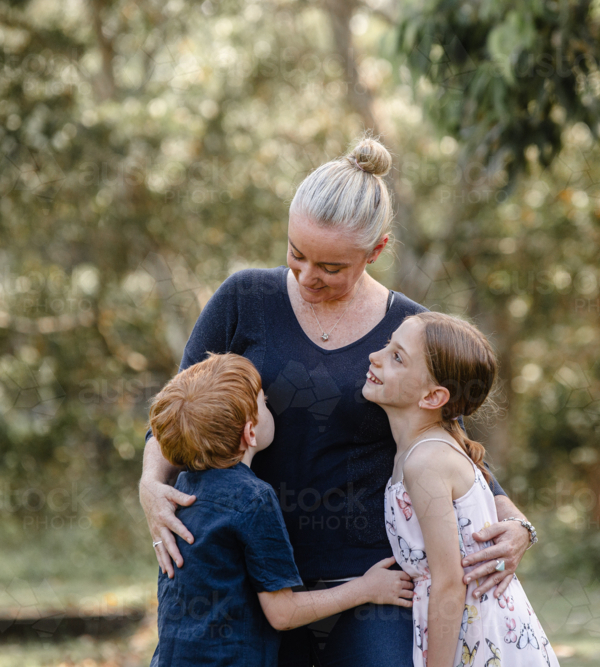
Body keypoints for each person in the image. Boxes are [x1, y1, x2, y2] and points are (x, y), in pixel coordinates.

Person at [140, 136, 538, 666]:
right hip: (251, 581)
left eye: (330, 267)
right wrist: (150, 484)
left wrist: (516, 525)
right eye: (296, 254)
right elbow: (181, 411)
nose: (307, 277)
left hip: (376, 583)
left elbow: (453, 444)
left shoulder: (411, 333)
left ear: (376, 251)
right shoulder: (244, 300)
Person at [148, 352, 414, 666]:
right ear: (250, 433)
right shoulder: (253, 499)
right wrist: (366, 589)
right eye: (264, 401)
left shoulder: (178, 492)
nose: (271, 405)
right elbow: (283, 613)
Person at [364, 312, 559, 667]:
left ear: (433, 396)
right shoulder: (423, 450)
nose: (374, 357)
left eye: (397, 357)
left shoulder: (427, 462)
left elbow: (449, 583)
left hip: (478, 639)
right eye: (387, 345)